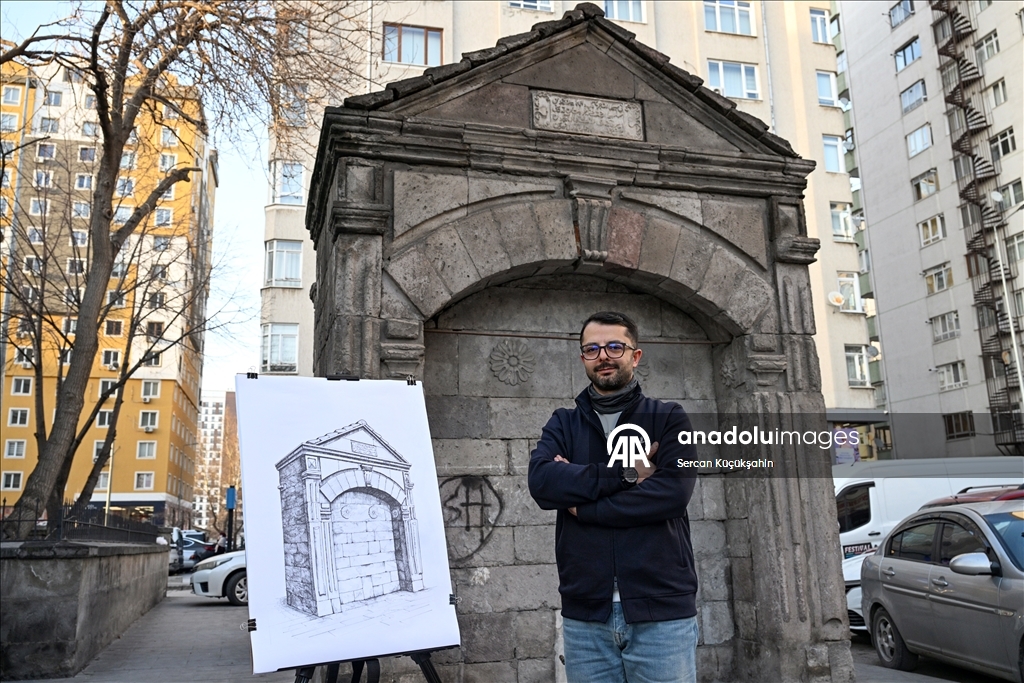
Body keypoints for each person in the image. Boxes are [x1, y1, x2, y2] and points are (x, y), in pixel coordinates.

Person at [528, 311, 699, 683]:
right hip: (586, 616)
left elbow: (672, 493)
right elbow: (542, 482)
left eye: (614, 347)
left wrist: (583, 506)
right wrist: (626, 474)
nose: (603, 355)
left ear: (635, 356)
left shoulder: (669, 418)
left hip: (662, 614)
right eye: (592, 349)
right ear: (583, 358)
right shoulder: (563, 423)